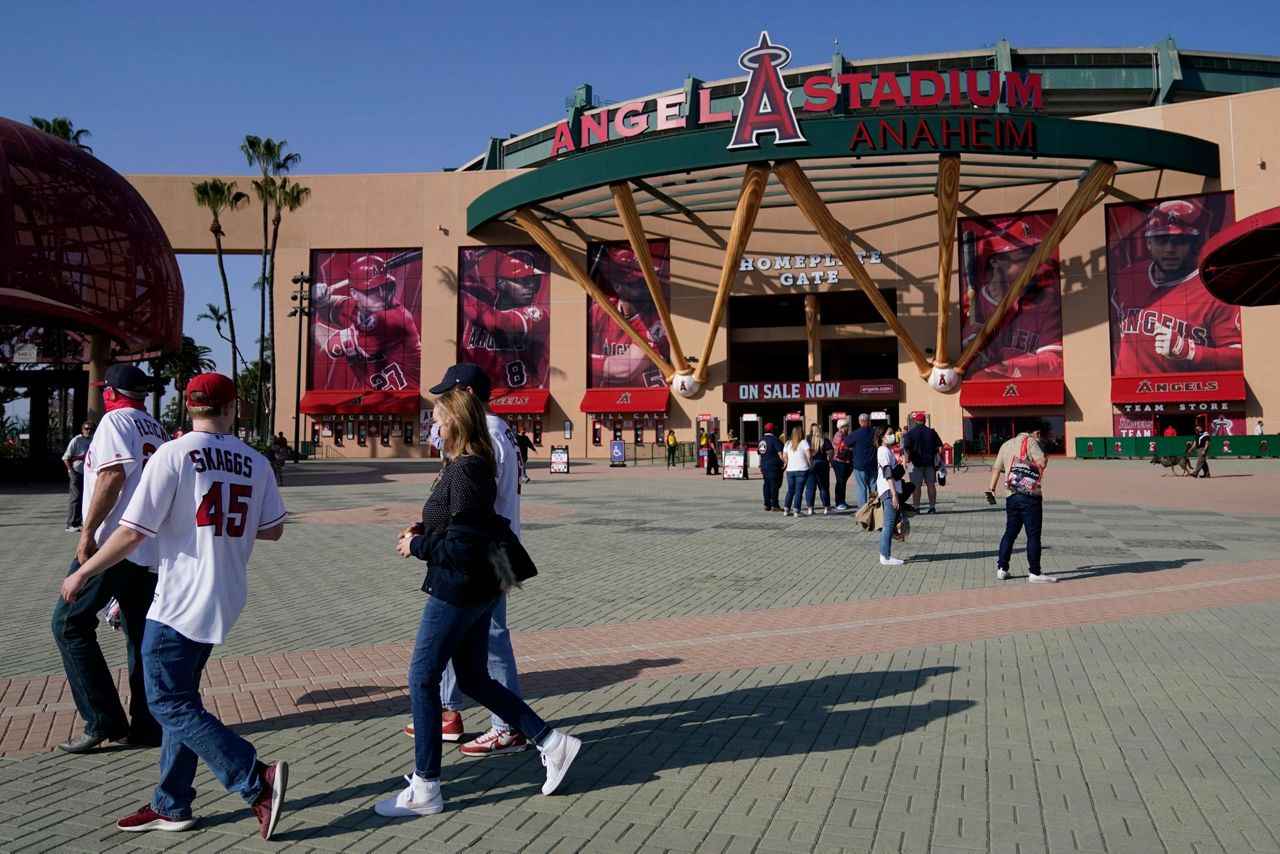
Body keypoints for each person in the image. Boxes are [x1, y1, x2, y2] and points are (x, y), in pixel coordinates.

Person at [58, 373, 290, 838]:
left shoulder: (175, 453)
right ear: (231, 408)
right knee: (183, 698)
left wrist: (84, 571)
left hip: (179, 597)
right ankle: (172, 803)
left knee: (165, 699)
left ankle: (254, 779)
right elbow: (273, 528)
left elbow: (131, 532)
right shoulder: (255, 461)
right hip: (225, 594)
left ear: (189, 406)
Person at [383, 389, 580, 816]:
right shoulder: (462, 467)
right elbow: (459, 523)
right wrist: (422, 527)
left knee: (422, 677)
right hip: (470, 586)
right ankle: (552, 742)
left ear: (453, 423)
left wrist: (418, 545)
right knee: (472, 678)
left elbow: (465, 547)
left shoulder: (469, 470)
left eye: (437, 419)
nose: (432, 427)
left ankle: (426, 786)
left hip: (460, 589)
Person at [406, 364, 529, 758]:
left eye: (448, 398)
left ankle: (507, 726)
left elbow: (472, 502)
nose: (441, 413)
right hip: (486, 545)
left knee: (489, 639)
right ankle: (450, 711)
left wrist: (434, 538)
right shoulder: (501, 428)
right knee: (470, 638)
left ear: (467, 396)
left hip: (480, 552)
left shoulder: (488, 435)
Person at [52, 364, 166, 754]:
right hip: (147, 548)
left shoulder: (116, 420)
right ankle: (147, 725)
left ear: (110, 393)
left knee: (68, 622)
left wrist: (86, 533)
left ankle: (103, 719)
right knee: (139, 635)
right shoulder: (156, 428)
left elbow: (112, 474)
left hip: (113, 544)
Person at [1110, 199, 1242, 375]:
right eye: (1161, 240)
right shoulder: (1128, 276)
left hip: (1184, 394)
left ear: (1195, 244)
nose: (1169, 249)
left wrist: (1190, 351)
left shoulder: (1213, 289)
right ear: (1149, 243)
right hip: (1128, 393)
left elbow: (1240, 356)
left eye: (1180, 241)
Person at [961, 219, 1064, 380]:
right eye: (1024, 257)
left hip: (1029, 395)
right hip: (979, 396)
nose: (1033, 264)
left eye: (1033, 256)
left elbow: (1055, 363)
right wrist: (964, 347)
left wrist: (1005, 365)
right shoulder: (967, 307)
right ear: (995, 262)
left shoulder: (1044, 305)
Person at [312, 254, 422, 391]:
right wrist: (321, 300)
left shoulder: (394, 319)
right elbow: (328, 310)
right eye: (372, 289)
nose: (382, 294)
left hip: (409, 401)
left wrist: (308, 320)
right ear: (354, 293)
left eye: (386, 287)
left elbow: (332, 345)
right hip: (374, 402)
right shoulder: (357, 308)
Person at [459, 248, 551, 392]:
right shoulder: (485, 296)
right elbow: (450, 287)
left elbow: (498, 323)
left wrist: (460, 295)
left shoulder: (537, 314)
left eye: (533, 280)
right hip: (483, 394)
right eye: (524, 281)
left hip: (524, 394)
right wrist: (462, 268)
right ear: (501, 283)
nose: (531, 286)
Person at [588, 244, 670, 388]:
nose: (645, 284)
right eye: (635, 282)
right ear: (617, 283)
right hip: (609, 401)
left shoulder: (657, 318)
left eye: (645, 280)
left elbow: (625, 368)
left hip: (649, 399)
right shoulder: (601, 310)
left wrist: (578, 361)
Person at [987, 420, 1057, 583]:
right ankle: (1035, 572)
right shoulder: (1031, 441)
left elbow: (996, 468)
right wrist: (1042, 455)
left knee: (1010, 533)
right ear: (1036, 433)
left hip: (1010, 495)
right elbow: (1042, 463)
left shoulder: (1005, 445)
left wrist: (991, 488)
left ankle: (1002, 569)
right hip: (1029, 496)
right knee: (1033, 535)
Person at [875, 427, 906, 566]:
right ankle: (885, 556)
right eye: (889, 434)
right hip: (888, 490)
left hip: (889, 489)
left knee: (889, 524)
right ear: (882, 437)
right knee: (888, 525)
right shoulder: (883, 451)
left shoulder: (888, 451)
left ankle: (885, 555)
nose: (892, 436)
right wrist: (894, 494)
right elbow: (888, 473)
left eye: (893, 433)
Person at [903, 413, 944, 514]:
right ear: (925, 421)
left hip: (915, 464)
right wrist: (938, 458)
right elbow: (940, 446)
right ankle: (932, 507)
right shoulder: (932, 432)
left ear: (916, 421)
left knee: (916, 486)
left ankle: (916, 507)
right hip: (930, 463)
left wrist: (907, 460)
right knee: (931, 485)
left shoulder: (910, 434)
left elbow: (906, 449)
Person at [62, 421, 94, 531]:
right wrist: (71, 471)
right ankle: (70, 523)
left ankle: (78, 521)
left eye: (91, 429)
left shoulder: (93, 441)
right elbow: (66, 457)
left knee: (83, 497)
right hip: (76, 471)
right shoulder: (76, 440)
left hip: (88, 473)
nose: (89, 431)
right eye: (86, 429)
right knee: (75, 497)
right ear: (82, 430)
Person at [781, 426, 811, 517]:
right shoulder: (804, 442)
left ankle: (786, 509)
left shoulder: (787, 443)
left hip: (790, 470)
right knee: (798, 491)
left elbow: (784, 456)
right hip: (802, 469)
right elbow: (809, 456)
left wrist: (788, 463)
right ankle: (796, 511)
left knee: (790, 490)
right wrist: (810, 465)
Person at [804, 423, 833, 515]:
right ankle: (826, 508)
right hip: (822, 464)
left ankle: (810, 509)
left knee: (810, 488)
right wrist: (830, 460)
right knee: (824, 488)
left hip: (810, 465)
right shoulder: (825, 440)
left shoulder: (807, 440)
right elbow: (831, 452)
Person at [849, 414, 877, 511]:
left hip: (860, 464)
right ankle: (875, 507)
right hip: (873, 463)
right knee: (873, 486)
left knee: (861, 487)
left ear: (860, 422)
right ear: (868, 421)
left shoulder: (856, 433)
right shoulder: (875, 432)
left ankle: (863, 509)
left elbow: (846, 443)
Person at [758, 423, 783, 511]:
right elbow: (780, 453)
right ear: (772, 430)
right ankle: (775, 505)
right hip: (774, 466)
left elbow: (760, 454)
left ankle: (767, 504)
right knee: (774, 485)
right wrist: (785, 462)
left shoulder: (761, 440)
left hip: (764, 465)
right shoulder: (775, 440)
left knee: (766, 485)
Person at [831, 418, 853, 510]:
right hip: (839, 462)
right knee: (840, 482)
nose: (848, 427)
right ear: (842, 427)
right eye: (847, 426)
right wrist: (850, 448)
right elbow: (840, 449)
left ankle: (842, 501)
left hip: (844, 462)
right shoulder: (838, 435)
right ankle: (839, 502)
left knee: (842, 482)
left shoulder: (844, 435)